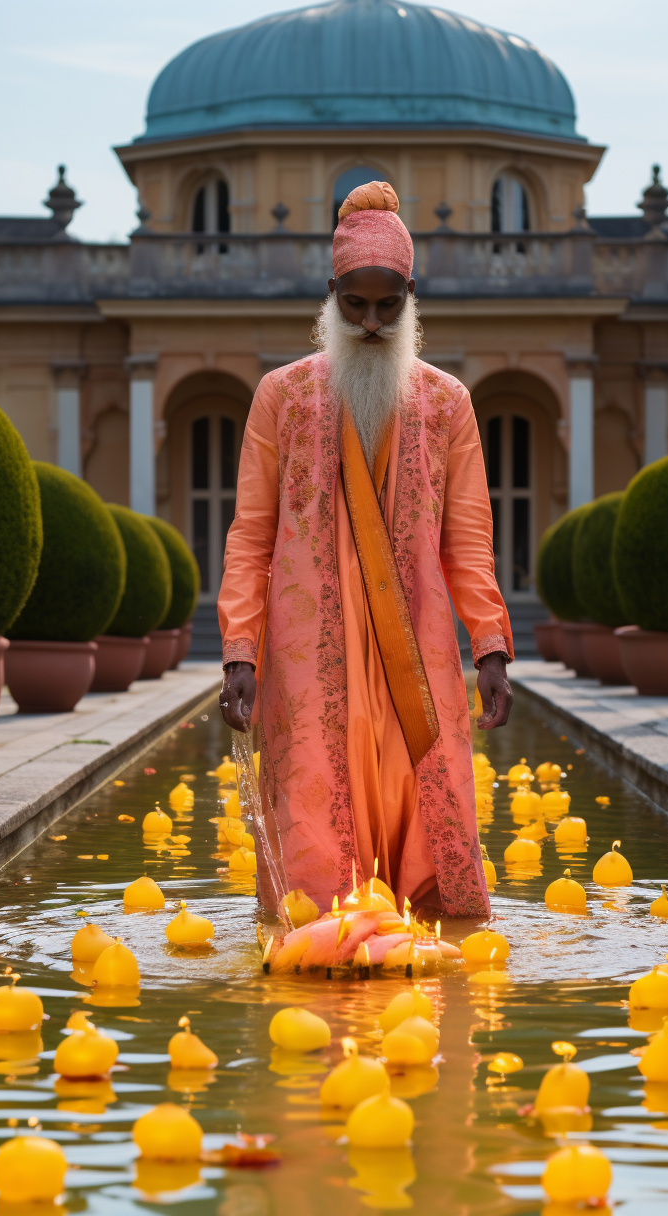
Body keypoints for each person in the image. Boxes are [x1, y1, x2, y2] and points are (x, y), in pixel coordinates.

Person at [218, 180, 512, 917]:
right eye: (356, 304)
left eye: (389, 305)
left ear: (413, 294)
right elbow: (250, 535)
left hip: (416, 645)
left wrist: (491, 647)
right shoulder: (281, 398)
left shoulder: (448, 403)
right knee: (315, 812)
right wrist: (240, 652)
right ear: (331, 294)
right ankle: (317, 944)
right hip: (308, 645)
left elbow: (469, 538)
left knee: (425, 799)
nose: (373, 322)